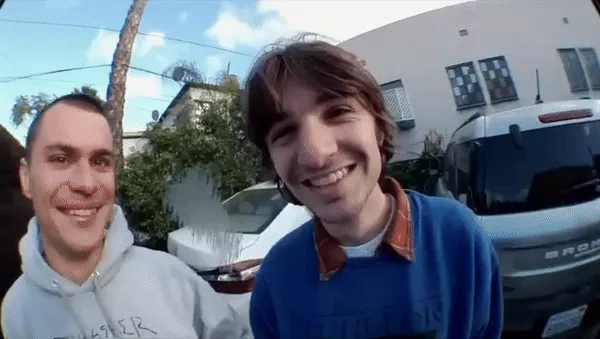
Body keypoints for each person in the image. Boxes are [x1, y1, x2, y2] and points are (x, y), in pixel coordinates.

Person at [244, 38, 503, 339]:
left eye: (338, 112)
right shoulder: (276, 280)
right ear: (272, 161)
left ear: (378, 127)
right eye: (285, 131)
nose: (316, 153)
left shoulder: (457, 238)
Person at [1, 94, 250, 339]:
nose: (86, 184)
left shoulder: (170, 276)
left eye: (100, 161)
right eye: (61, 159)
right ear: (26, 178)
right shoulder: (17, 309)